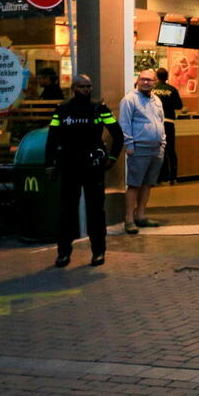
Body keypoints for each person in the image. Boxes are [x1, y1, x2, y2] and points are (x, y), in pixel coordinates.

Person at [46, 75, 123, 267]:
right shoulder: (63, 109)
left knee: (96, 211)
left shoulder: (99, 108)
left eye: (89, 86)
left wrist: (112, 157)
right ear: (73, 88)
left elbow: (117, 134)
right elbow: (52, 138)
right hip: (69, 166)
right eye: (82, 87)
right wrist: (50, 164)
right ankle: (63, 252)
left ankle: (98, 252)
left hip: (93, 167)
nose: (86, 90)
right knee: (67, 212)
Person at [119, 70, 166, 234]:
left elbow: (161, 121)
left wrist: (163, 143)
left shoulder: (157, 100)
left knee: (148, 184)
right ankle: (129, 219)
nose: (146, 82)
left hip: (156, 148)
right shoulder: (129, 99)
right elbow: (124, 123)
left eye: (150, 80)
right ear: (137, 81)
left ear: (155, 82)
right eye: (143, 79)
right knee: (134, 184)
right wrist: (129, 144)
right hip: (138, 148)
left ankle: (141, 216)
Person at [153, 68, 183, 184]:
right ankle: (173, 177)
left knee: (158, 150)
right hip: (169, 122)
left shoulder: (152, 90)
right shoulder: (172, 89)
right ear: (167, 77)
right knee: (170, 149)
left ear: (156, 76)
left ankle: (160, 177)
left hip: (155, 123)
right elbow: (179, 106)